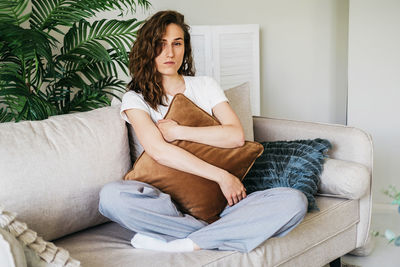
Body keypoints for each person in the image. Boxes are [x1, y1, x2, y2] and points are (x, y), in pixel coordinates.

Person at [99, 10, 308, 253]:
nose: (170, 53)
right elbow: (159, 151)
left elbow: (235, 136)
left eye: (177, 44)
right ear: (148, 49)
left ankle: (185, 243)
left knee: (294, 202)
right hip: (167, 206)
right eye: (161, 44)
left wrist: (179, 132)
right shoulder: (135, 98)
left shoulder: (205, 86)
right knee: (111, 197)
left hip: (223, 204)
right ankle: (216, 235)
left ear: (185, 48)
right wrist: (222, 176)